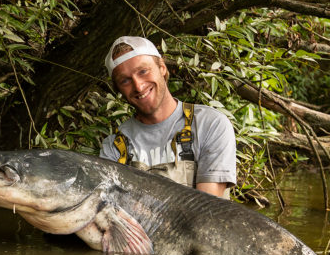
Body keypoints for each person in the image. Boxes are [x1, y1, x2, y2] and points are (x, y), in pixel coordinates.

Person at [99, 36, 236, 198]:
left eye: (143, 71)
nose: (138, 86)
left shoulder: (210, 124)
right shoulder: (114, 147)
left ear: (162, 68)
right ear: (118, 90)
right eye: (125, 81)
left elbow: (208, 210)